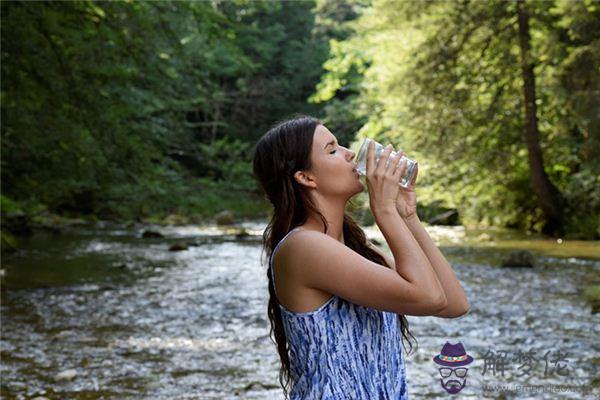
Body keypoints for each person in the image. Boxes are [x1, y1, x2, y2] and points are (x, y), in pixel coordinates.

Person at [252, 114, 470, 399]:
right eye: (332, 150)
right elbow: (429, 297)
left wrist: (408, 216)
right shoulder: (304, 247)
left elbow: (453, 303)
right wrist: (385, 211)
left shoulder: (356, 250)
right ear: (306, 178)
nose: (349, 154)